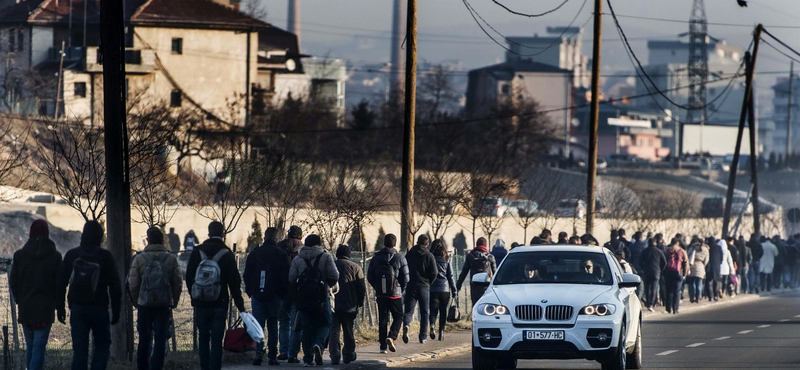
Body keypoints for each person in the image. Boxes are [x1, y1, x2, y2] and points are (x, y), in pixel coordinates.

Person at [57, 221, 122, 370]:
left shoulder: (72, 254)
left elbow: (61, 283)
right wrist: (116, 311)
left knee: (79, 350)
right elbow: (115, 286)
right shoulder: (105, 256)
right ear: (100, 236)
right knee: (102, 345)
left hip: (78, 308)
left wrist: (60, 308)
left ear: (83, 234)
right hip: (99, 308)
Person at [186, 221, 246, 370]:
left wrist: (195, 296)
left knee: (203, 338)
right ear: (223, 234)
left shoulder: (197, 251)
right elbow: (234, 282)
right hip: (220, 302)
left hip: (200, 302)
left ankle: (204, 367)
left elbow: (188, 277)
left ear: (209, 233)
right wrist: (241, 306)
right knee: (217, 339)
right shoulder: (226, 253)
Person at [10, 220, 62, 370]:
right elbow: (58, 285)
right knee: (39, 348)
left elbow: (14, 282)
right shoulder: (55, 257)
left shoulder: (20, 256)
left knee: (31, 347)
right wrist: (56, 305)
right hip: (45, 308)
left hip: (26, 307)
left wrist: (20, 299)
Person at [128, 227, 183, 370]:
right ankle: (157, 367)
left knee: (144, 340)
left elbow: (133, 284)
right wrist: (173, 302)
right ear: (162, 240)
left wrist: (137, 302)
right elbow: (177, 283)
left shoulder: (139, 259)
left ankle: (142, 367)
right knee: (160, 339)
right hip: (163, 305)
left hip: (144, 305)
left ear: (148, 240)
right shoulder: (171, 258)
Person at [288, 234, 339, 367]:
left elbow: (292, 278)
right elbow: (335, 275)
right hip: (322, 298)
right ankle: (319, 344)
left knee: (307, 327)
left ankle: (308, 358)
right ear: (318, 243)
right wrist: (326, 286)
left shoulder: (298, 258)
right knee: (325, 323)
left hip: (304, 299)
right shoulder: (325, 256)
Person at [244, 227, 291, 366]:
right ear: (276, 238)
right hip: (275, 296)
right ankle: (272, 356)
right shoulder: (281, 254)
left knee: (258, 325)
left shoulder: (255, 253)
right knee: (273, 325)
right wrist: (283, 294)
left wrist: (250, 291)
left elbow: (247, 274)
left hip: (258, 295)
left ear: (264, 237)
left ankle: (258, 353)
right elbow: (286, 277)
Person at [367, 234, 409, 354]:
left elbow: (370, 276)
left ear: (384, 243)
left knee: (383, 319)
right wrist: (400, 288)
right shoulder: (400, 258)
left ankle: (382, 347)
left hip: (381, 294)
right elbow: (406, 278)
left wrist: (378, 287)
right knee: (399, 316)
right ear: (395, 243)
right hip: (395, 294)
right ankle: (392, 336)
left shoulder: (376, 258)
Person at [329, 245, 365, 365]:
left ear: (337, 254)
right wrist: (360, 302)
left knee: (334, 330)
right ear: (349, 255)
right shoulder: (356, 268)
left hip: (333, 303)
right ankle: (348, 354)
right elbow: (361, 288)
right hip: (350, 305)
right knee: (348, 330)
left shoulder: (331, 265)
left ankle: (335, 355)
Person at [276, 225, 304, 362]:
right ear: (301, 236)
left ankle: (283, 351)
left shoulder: (279, 247)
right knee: (296, 323)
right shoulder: (304, 250)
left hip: (281, 290)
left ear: (288, 235)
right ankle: (293, 353)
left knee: (283, 321)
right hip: (299, 292)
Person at [403, 235, 437, 344]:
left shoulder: (409, 254)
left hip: (411, 285)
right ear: (427, 244)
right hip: (424, 286)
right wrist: (429, 282)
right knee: (425, 312)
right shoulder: (429, 255)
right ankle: (422, 337)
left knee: (408, 310)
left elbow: (404, 268)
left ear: (417, 242)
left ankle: (407, 325)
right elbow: (434, 272)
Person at [456, 237, 497, 307]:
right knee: (486, 306)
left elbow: (464, 272)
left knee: (475, 305)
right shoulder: (490, 257)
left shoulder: (470, 256)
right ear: (485, 245)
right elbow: (495, 273)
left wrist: (458, 285)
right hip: (486, 286)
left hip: (474, 286)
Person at [428, 239, 456, 341]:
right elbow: (450, 275)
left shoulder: (430, 258)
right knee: (443, 311)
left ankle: (432, 325)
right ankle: (441, 331)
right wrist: (454, 289)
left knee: (433, 310)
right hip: (445, 289)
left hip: (433, 288)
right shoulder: (447, 259)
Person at [639, 238, 666, 311]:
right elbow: (664, 262)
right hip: (656, 271)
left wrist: (642, 269)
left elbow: (640, 261)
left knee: (647, 288)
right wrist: (661, 269)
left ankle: (648, 303)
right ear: (655, 243)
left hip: (646, 271)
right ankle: (651, 303)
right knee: (654, 288)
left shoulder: (644, 251)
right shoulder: (659, 251)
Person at [664, 239, 688, 314]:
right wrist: (684, 273)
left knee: (669, 291)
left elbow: (663, 261)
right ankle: (675, 308)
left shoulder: (666, 250)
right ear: (678, 243)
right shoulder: (682, 251)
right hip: (678, 273)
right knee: (677, 292)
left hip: (668, 273)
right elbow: (686, 263)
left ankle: (668, 308)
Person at [686, 238, 709, 303]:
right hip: (700, 266)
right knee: (699, 283)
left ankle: (692, 296)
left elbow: (688, 255)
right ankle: (698, 296)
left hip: (692, 266)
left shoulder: (692, 248)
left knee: (691, 283)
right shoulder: (706, 249)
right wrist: (703, 265)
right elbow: (706, 260)